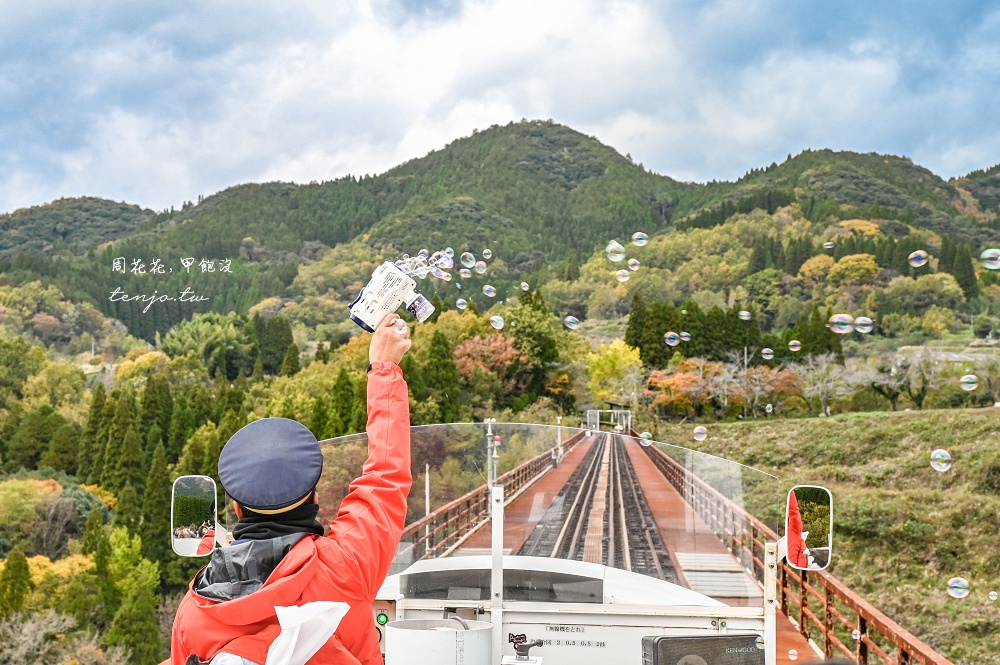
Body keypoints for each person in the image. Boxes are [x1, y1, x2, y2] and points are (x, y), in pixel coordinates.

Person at [169, 316, 412, 665]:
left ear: (238, 509)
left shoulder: (195, 612)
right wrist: (384, 368)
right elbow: (386, 474)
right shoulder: (347, 567)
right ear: (313, 498)